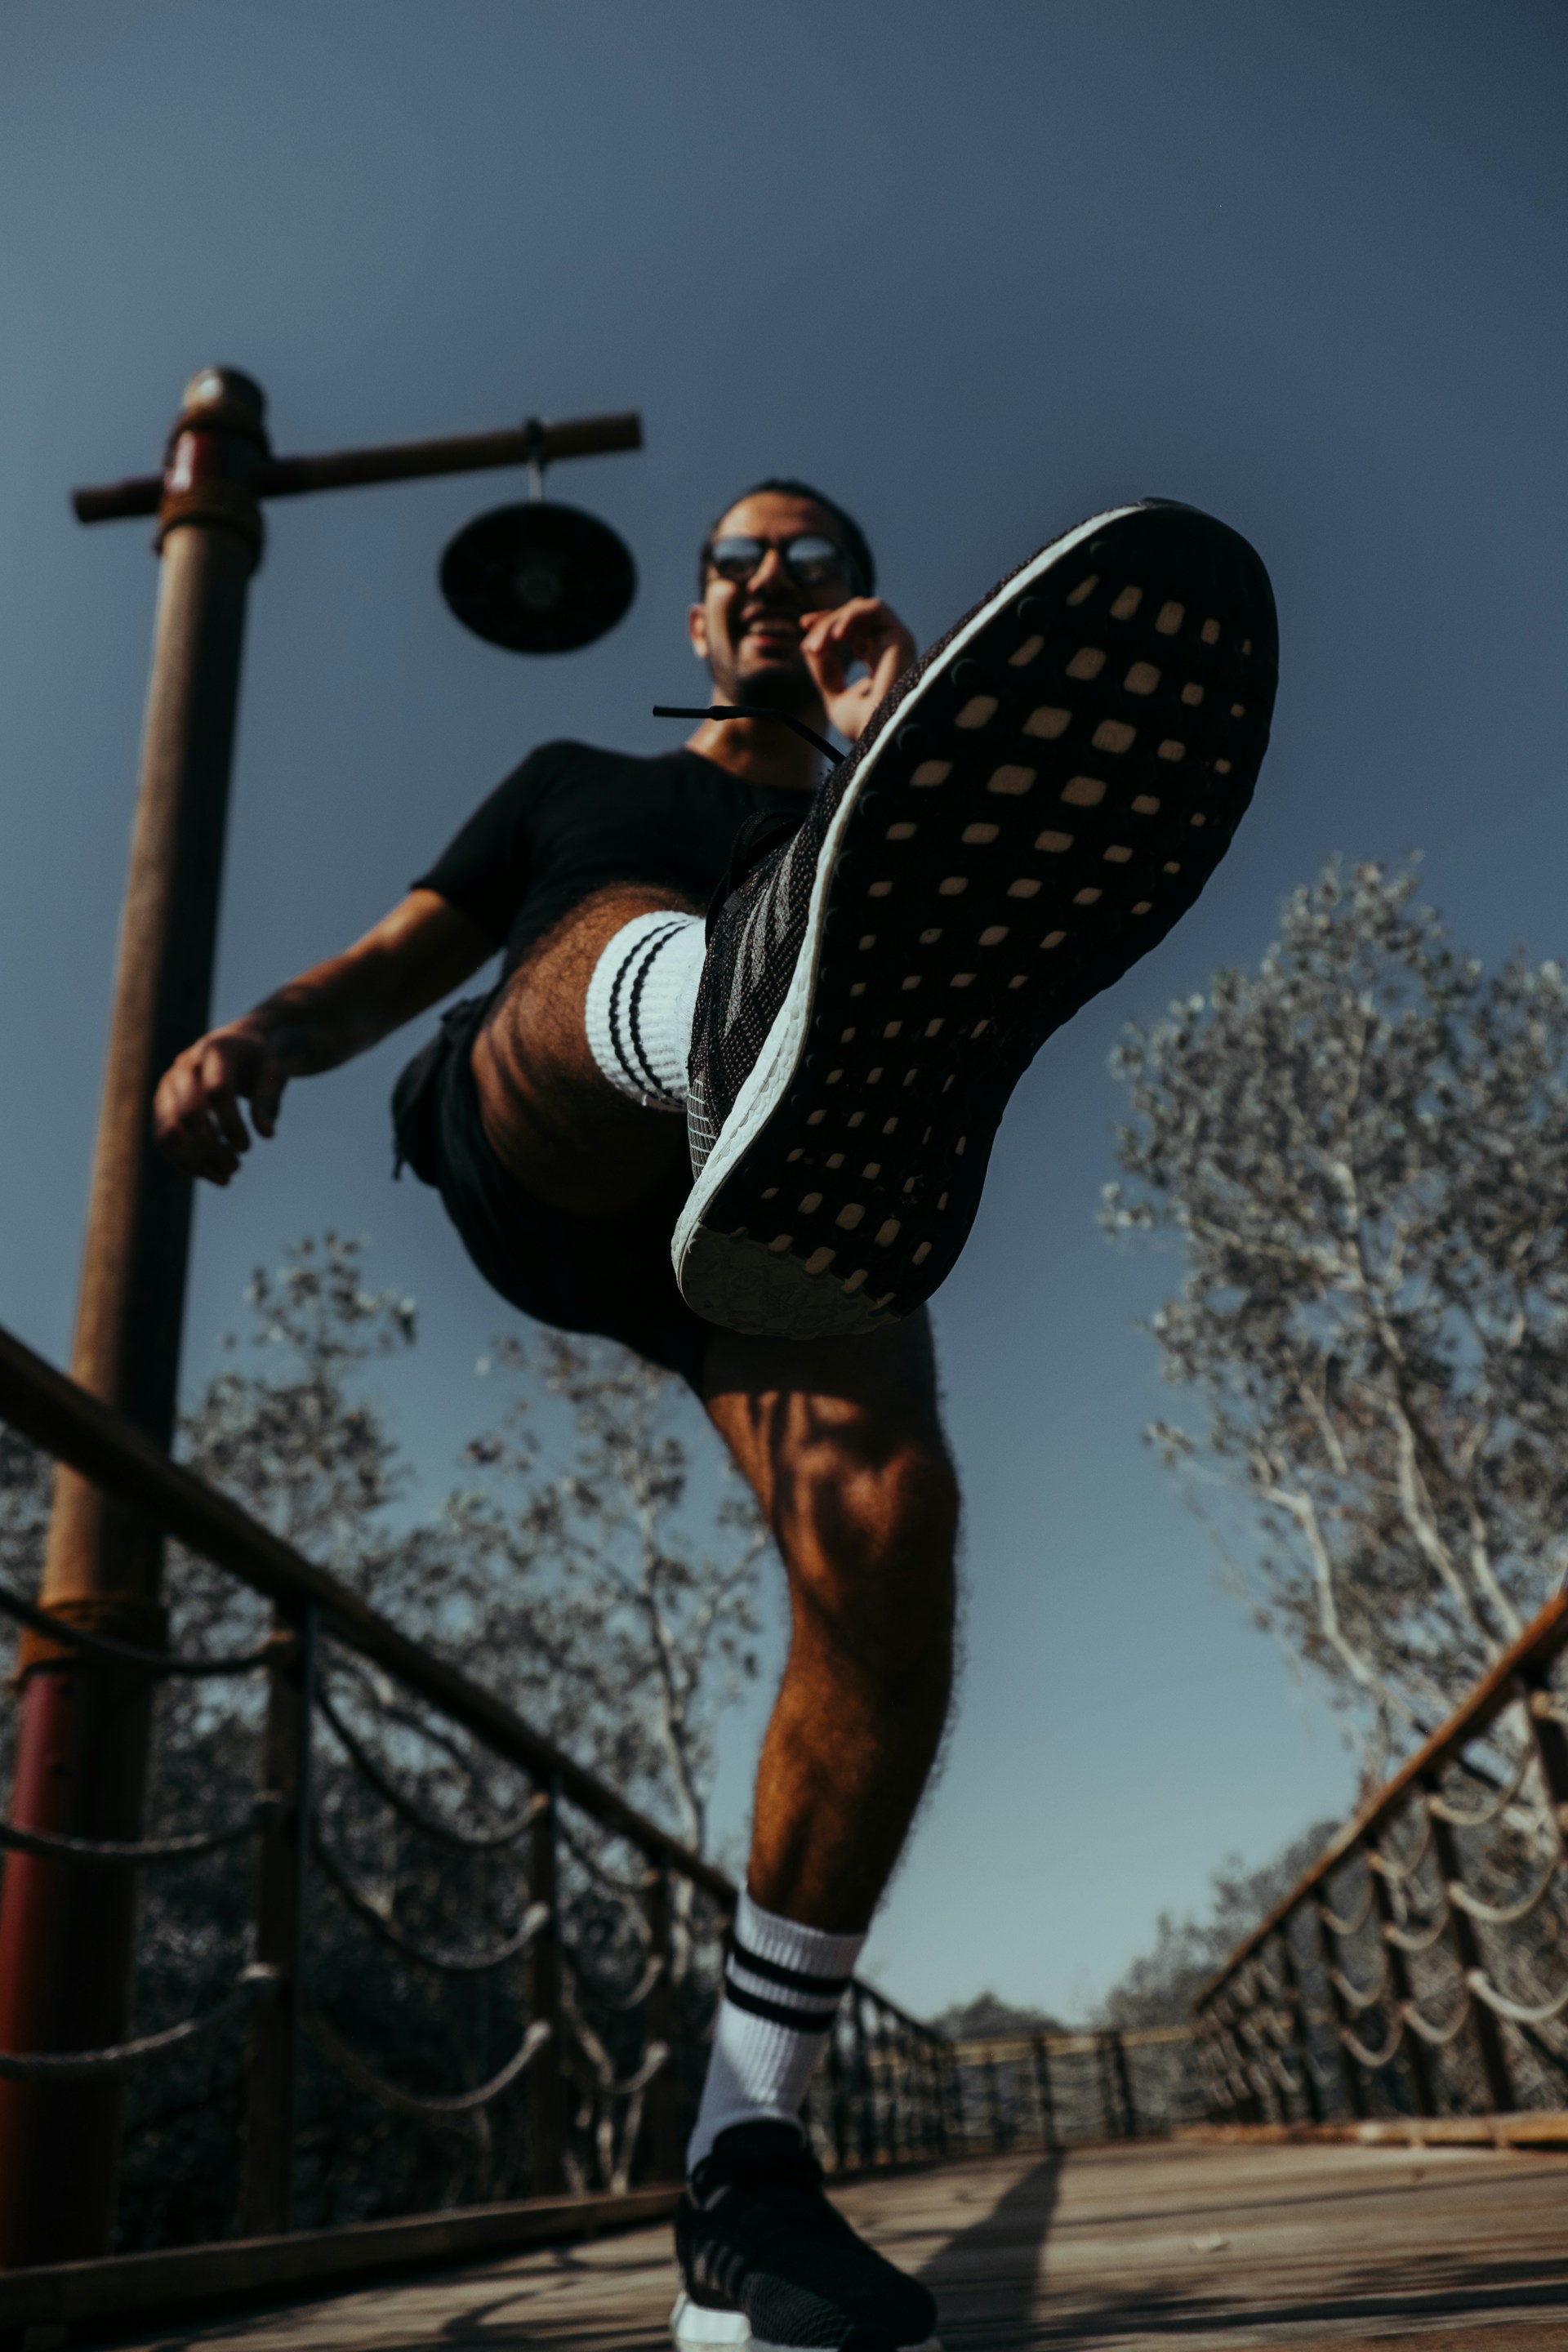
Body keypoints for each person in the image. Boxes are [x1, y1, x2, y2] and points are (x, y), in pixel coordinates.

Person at [154, 480, 1276, 2352]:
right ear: (694, 627)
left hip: (761, 1227)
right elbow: (388, 966)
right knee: (602, 941)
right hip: (552, 1126)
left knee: (892, 1531)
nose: (772, 584)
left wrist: (886, 732)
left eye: (813, 562)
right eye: (736, 566)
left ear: (849, 602)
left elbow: (983, 854)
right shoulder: (569, 771)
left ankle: (741, 2178)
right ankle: (732, 1009)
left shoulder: (875, 783)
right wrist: (262, 1032)